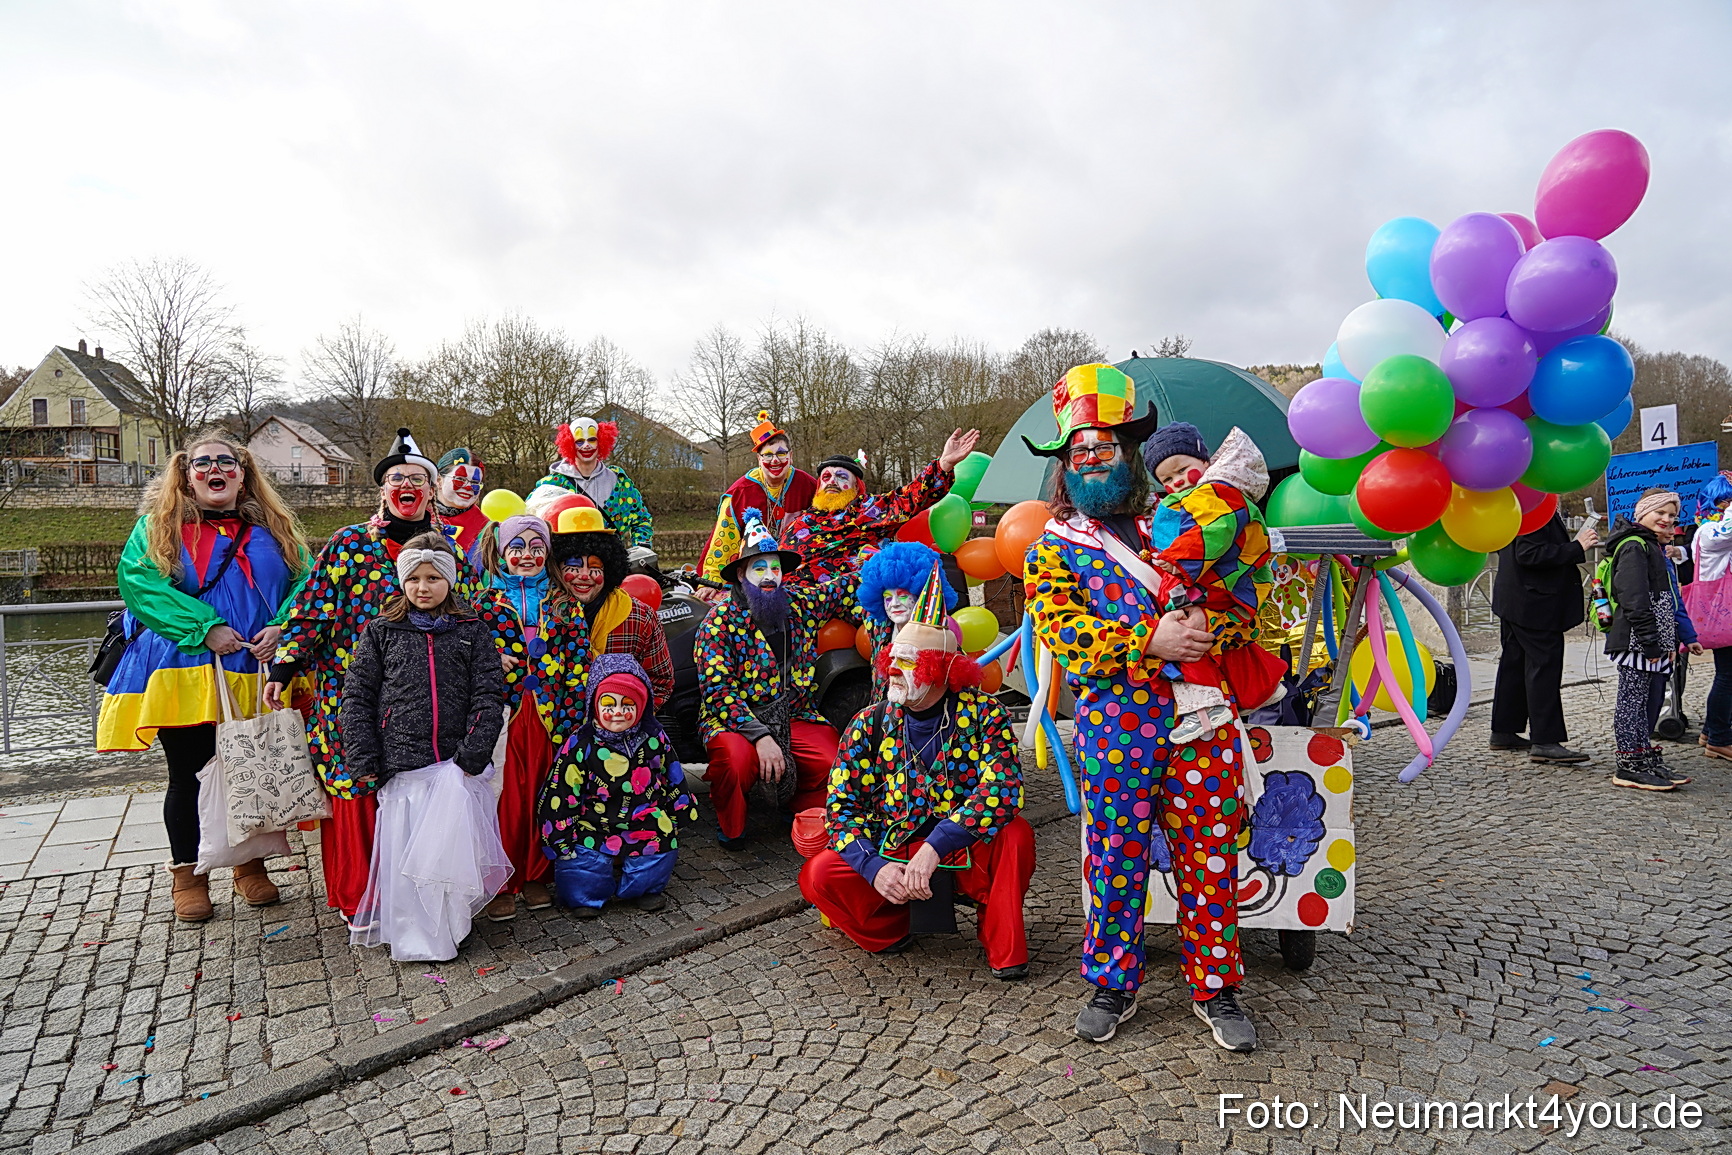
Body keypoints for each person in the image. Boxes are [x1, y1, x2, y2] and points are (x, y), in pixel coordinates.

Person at [1022, 363, 1262, 1051]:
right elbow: (1066, 636)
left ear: (1131, 455)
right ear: (1066, 468)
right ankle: (1113, 980)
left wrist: (1216, 629)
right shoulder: (1052, 550)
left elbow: (1246, 603)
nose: (1092, 461)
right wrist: (1150, 639)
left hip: (1203, 723)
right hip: (1115, 727)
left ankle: (1217, 986)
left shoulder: (1186, 519)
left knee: (1210, 855)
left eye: (1105, 448)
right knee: (1114, 856)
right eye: (1079, 453)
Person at [266, 428, 526, 919]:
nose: (407, 487)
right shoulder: (349, 544)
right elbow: (313, 607)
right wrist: (287, 661)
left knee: (430, 796)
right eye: (397, 479)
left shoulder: (448, 547)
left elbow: (488, 605)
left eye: (418, 480)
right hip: (356, 693)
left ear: (430, 492)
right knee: (360, 785)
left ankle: (437, 896)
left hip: (430, 702)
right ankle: (364, 897)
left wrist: (506, 653)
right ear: (383, 491)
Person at [97, 435, 310, 922]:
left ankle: (248, 865)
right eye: (203, 463)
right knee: (189, 773)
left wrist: (284, 625)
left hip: (251, 666)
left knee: (249, 764)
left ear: (242, 472)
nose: (215, 469)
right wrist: (205, 628)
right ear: (186, 473)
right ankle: (187, 875)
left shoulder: (273, 529)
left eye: (226, 462)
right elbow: (140, 583)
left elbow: (307, 581)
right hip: (184, 667)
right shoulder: (158, 527)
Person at [801, 560, 1035, 978]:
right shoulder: (868, 722)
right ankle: (889, 930)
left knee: (1016, 835)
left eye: (910, 663)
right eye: (895, 659)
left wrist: (936, 846)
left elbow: (1004, 791)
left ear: (944, 670)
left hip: (963, 847)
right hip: (893, 845)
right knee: (819, 874)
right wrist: (873, 867)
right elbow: (840, 808)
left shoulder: (987, 714)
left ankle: (1003, 945)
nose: (894, 670)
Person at [340, 533, 510, 960]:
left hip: (454, 765)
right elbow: (357, 695)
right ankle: (414, 934)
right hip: (404, 764)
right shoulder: (382, 631)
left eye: (433, 577)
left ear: (449, 581)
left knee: (449, 853)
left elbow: (488, 693)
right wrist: (364, 756)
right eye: (414, 578)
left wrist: (474, 750)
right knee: (409, 854)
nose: (423, 587)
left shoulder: (472, 631)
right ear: (402, 582)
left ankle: (451, 926)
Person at [694, 515, 859, 847]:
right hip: (735, 719)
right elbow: (717, 691)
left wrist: (894, 565)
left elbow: (846, 586)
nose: (770, 576)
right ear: (741, 575)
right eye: (759, 568)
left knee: (832, 759)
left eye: (776, 568)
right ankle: (733, 826)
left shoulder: (800, 604)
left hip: (795, 714)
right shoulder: (719, 623)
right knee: (737, 761)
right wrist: (760, 737)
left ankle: (799, 809)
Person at [1140, 422, 1282, 743]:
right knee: (1220, 640)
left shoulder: (1213, 494)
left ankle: (1204, 705)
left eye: (1183, 469)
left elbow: (1212, 533)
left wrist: (1176, 562)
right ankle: (1263, 687)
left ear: (1205, 463)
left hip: (1219, 580)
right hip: (1216, 579)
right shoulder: (1197, 496)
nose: (1177, 481)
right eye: (1167, 479)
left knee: (1183, 637)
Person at [476, 513, 580, 921]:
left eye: (537, 547)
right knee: (504, 798)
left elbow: (578, 660)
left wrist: (574, 714)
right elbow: (466, 656)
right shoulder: (485, 603)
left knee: (544, 793)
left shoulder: (562, 602)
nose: (527, 555)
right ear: (502, 552)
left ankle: (537, 873)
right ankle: (502, 880)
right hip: (506, 715)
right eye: (517, 547)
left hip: (551, 716)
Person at [538, 653, 697, 915]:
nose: (618, 713)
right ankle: (587, 896)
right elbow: (561, 791)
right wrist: (559, 834)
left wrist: (678, 811)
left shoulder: (654, 737)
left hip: (644, 818)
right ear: (595, 704)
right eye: (609, 704)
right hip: (593, 823)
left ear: (641, 705)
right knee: (578, 868)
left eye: (628, 704)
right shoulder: (580, 743)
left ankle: (643, 888)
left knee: (662, 842)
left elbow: (672, 775)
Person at [778, 430, 980, 586]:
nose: (832, 481)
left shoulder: (865, 509)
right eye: (826, 477)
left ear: (856, 486)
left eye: (841, 477)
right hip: (787, 596)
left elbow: (909, 498)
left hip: (835, 597)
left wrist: (943, 463)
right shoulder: (803, 519)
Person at [1605, 489, 1701, 791]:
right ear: (1643, 512)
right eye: (1660, 512)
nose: (1667, 519)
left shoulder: (1651, 546)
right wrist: (1650, 641)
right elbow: (1634, 597)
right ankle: (1628, 763)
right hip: (1637, 641)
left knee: (1643, 699)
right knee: (1631, 702)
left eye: (1672, 516)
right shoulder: (1634, 546)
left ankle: (1642, 754)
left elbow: (1667, 598)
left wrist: (1676, 636)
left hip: (1648, 641)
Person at [544, 505, 672, 729]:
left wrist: (624, 721)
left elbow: (660, 682)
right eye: (573, 566)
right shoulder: (539, 615)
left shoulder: (640, 617)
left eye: (595, 567)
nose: (584, 576)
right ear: (556, 567)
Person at [1489, 506, 1599, 763]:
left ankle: (1504, 731)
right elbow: (1529, 554)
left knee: (1514, 665)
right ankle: (1545, 740)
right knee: (1544, 667)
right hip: (1533, 603)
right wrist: (1577, 547)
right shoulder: (1534, 507)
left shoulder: (1519, 505)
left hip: (1516, 599)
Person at [698, 411, 817, 592]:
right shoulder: (740, 493)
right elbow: (723, 540)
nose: (775, 460)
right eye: (767, 455)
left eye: (781, 454)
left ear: (790, 456)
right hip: (752, 576)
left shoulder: (808, 486)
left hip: (798, 574)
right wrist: (712, 582)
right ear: (759, 459)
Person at [527, 416, 654, 547]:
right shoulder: (551, 485)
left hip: (611, 561)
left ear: (601, 441)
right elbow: (531, 520)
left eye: (592, 440)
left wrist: (642, 548)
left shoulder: (618, 482)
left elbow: (641, 519)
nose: (586, 445)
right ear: (570, 444)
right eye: (580, 441)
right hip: (569, 563)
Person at [856, 541, 959, 698]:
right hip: (883, 715)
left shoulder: (939, 637)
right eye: (888, 598)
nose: (895, 604)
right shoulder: (878, 627)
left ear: (919, 595)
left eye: (903, 596)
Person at [1691, 473, 1732, 761]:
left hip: (1721, 609)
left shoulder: (1709, 531)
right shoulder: (1709, 532)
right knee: (1728, 676)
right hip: (1722, 609)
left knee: (1726, 674)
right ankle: (1718, 737)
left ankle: (1710, 730)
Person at [433, 447, 490, 555]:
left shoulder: (489, 530)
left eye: (474, 482)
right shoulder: (418, 518)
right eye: (460, 479)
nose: (468, 487)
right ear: (439, 480)